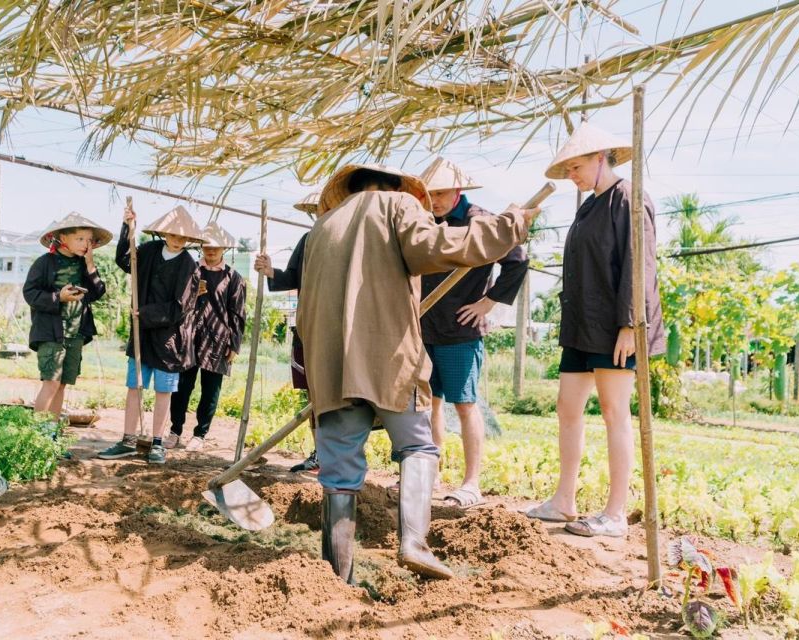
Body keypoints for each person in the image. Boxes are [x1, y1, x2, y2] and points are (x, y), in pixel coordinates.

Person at [297, 163, 539, 584]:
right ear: (395, 189)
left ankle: (338, 576)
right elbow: (435, 246)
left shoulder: (322, 226)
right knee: (417, 446)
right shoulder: (397, 206)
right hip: (387, 356)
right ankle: (413, 542)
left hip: (332, 364)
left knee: (339, 471)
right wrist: (509, 225)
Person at [526, 122, 665, 537]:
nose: (572, 175)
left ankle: (615, 513)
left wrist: (628, 325)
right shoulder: (587, 207)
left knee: (613, 412)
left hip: (614, 326)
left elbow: (639, 265)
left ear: (600, 158)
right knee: (567, 408)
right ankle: (564, 500)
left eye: (577, 166)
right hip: (581, 325)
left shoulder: (628, 199)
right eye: (567, 169)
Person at [418, 158, 530, 508]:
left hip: (461, 329)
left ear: (457, 191)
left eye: (439, 193)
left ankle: (471, 483)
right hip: (424, 326)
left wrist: (489, 302)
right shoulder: (425, 223)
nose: (433, 200)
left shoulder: (479, 221)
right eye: (428, 194)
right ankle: (429, 475)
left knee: (464, 404)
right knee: (428, 404)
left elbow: (517, 260)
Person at [97, 205, 204, 465]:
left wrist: (144, 313)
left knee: (163, 392)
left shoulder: (190, 265)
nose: (178, 239)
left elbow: (180, 307)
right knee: (134, 387)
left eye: (183, 236)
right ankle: (128, 440)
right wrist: (127, 228)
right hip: (142, 336)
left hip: (169, 340)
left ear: (189, 239)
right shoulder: (149, 250)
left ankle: (157, 442)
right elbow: (124, 261)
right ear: (164, 233)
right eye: (173, 234)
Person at [253, 192, 320, 472]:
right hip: (309, 325)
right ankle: (321, 453)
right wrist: (271, 271)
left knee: (341, 396)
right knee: (313, 394)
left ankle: (343, 456)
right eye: (317, 210)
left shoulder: (355, 240)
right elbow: (292, 277)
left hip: (341, 330)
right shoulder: (308, 241)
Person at [167, 221, 246, 451]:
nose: (211, 251)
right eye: (207, 246)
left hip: (218, 341)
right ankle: (175, 431)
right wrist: (192, 292)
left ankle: (200, 435)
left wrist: (234, 344)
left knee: (211, 390)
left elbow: (238, 313)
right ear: (201, 247)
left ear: (224, 249)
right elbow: (177, 301)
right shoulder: (191, 270)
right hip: (189, 336)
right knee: (181, 386)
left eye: (216, 247)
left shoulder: (234, 278)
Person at [24, 213, 111, 419]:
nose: (85, 244)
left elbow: (98, 292)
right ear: (63, 239)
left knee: (62, 384)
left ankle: (52, 434)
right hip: (50, 332)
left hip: (75, 333)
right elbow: (30, 293)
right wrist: (58, 297)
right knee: (51, 382)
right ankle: (38, 436)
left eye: (88, 240)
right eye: (80, 239)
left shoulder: (84, 265)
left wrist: (90, 264)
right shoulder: (44, 263)